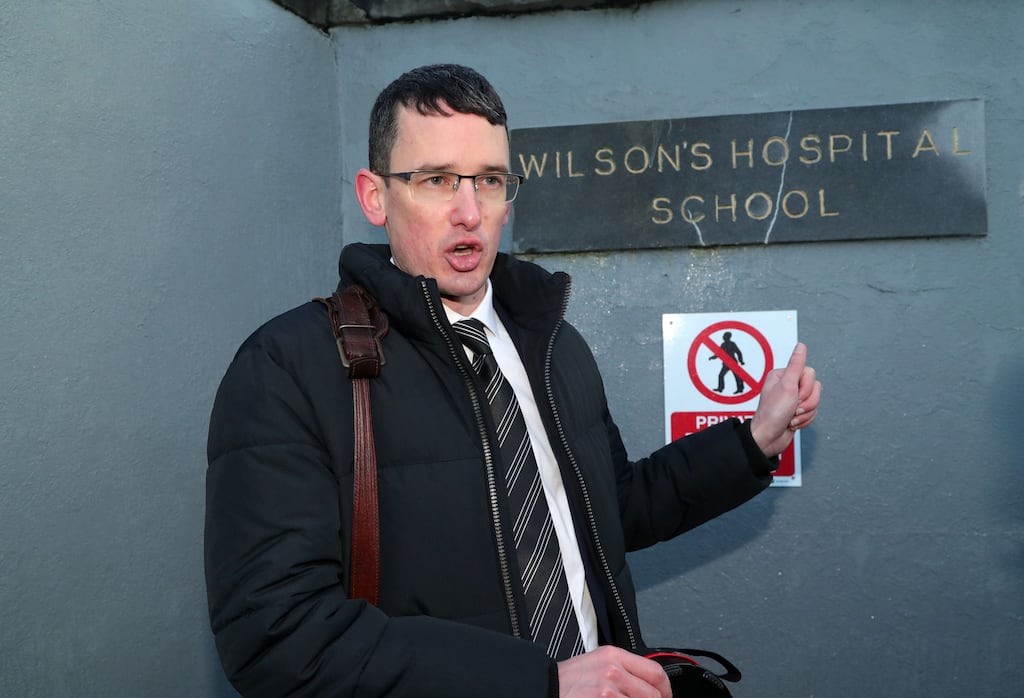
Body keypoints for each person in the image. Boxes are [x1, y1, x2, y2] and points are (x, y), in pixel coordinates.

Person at [204, 64, 821, 698]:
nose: (469, 212)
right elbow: (279, 635)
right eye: (437, 180)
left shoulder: (553, 346)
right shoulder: (288, 369)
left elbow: (615, 508)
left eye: (490, 181)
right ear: (375, 196)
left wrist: (753, 441)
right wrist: (541, 684)